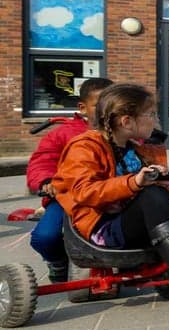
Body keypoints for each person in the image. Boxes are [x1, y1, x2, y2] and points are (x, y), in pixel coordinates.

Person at [52, 83, 169, 294]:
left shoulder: (134, 150)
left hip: (132, 221)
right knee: (152, 193)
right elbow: (84, 191)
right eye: (150, 114)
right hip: (103, 229)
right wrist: (134, 182)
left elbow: (162, 193)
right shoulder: (85, 146)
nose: (156, 119)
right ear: (127, 121)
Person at [27, 77, 113, 283]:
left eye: (111, 105)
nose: (106, 112)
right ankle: (57, 261)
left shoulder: (120, 130)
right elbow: (43, 160)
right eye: (98, 106)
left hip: (107, 193)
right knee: (45, 237)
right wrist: (46, 181)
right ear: (83, 108)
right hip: (67, 196)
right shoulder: (63, 134)